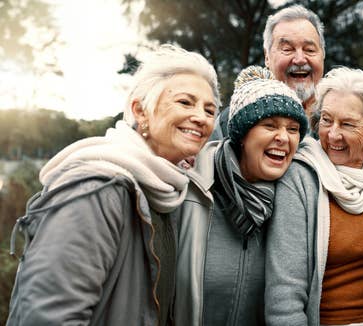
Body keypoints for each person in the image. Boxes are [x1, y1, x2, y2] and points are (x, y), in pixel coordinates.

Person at [6, 44, 220, 325]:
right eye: (185, 102)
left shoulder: (165, 193)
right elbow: (47, 316)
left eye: (209, 109)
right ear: (140, 111)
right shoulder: (95, 190)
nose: (201, 117)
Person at [174, 65, 308, 325]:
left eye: (293, 129)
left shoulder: (294, 201)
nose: (283, 138)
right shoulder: (193, 186)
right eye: (270, 125)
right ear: (242, 136)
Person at [265, 67, 363, 325]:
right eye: (326, 120)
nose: (333, 134)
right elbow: (284, 294)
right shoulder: (301, 178)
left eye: (347, 124)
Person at [211, 4, 325, 140]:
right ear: (267, 57)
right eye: (287, 49)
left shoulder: (339, 119)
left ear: (323, 55)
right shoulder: (234, 118)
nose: (300, 59)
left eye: (309, 50)